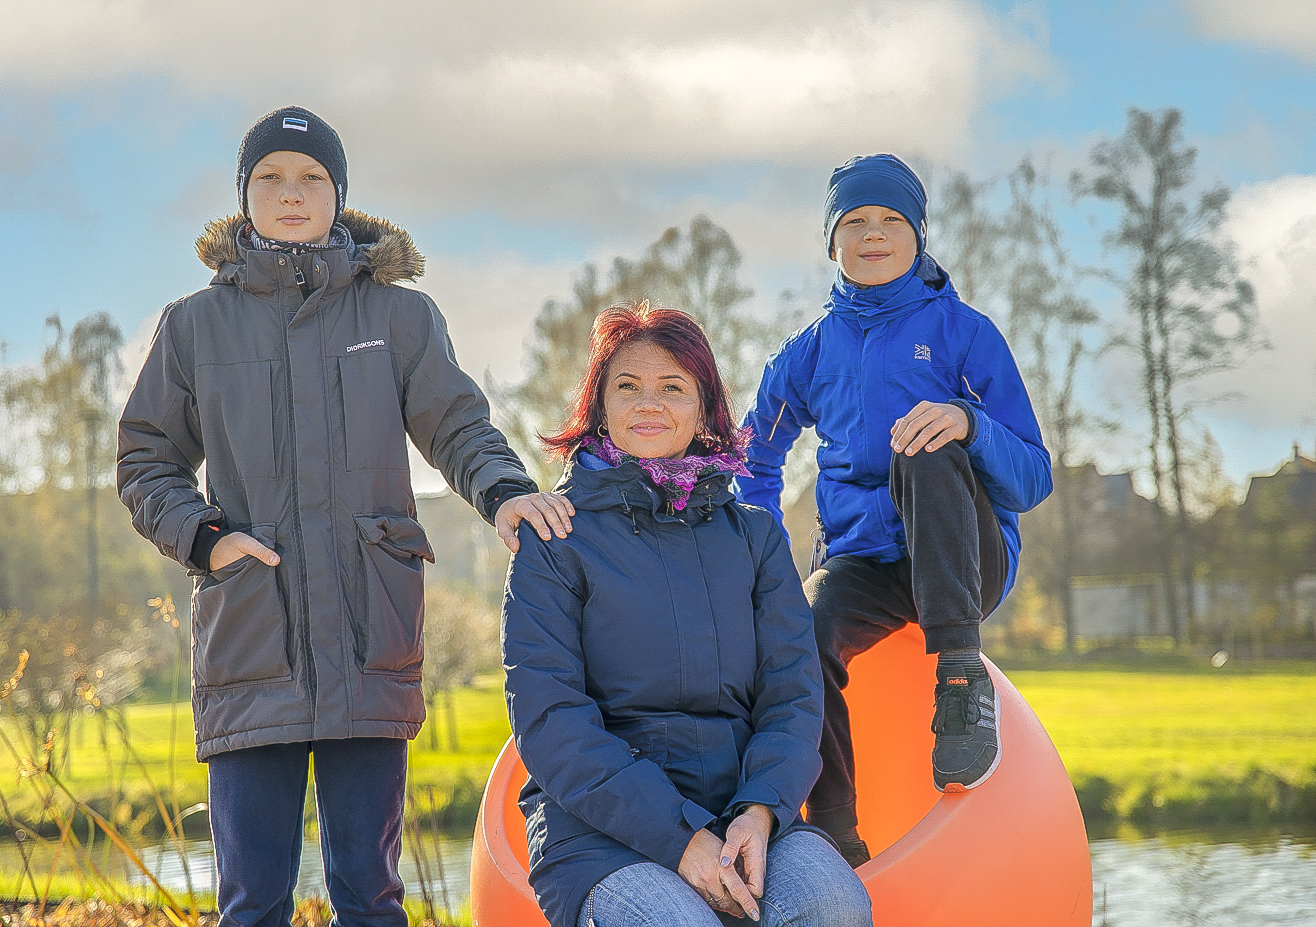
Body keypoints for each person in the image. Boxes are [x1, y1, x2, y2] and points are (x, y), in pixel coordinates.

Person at [116, 105, 573, 927]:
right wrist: (208, 539)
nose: (291, 194)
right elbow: (144, 460)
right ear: (244, 196)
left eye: (310, 178)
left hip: (371, 632)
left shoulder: (400, 317)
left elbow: (458, 427)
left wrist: (505, 492)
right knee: (253, 899)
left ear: (340, 193)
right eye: (271, 178)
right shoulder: (193, 325)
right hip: (252, 637)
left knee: (370, 892)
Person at [502, 302, 873, 927]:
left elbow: (793, 696)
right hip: (601, 837)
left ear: (704, 410)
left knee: (831, 903)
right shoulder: (554, 540)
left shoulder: (755, 539)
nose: (650, 404)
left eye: (672, 388)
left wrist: (760, 811)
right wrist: (681, 839)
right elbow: (552, 723)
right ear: (600, 406)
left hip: (745, 818)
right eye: (628, 387)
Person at [735, 153, 1052, 868]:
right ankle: (833, 842)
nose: (873, 234)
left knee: (926, 439)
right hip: (862, 565)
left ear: (918, 233)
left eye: (890, 220)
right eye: (854, 222)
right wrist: (764, 562)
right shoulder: (809, 351)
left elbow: (1033, 476)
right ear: (832, 241)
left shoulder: (965, 333)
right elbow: (755, 458)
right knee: (799, 632)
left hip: (968, 561)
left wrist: (968, 422)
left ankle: (962, 686)